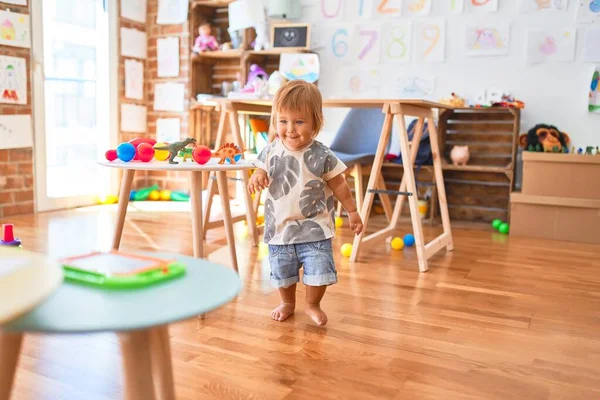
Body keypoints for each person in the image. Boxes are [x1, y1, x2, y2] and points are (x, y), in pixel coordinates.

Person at [248, 80, 363, 326]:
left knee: (319, 271)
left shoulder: (323, 154)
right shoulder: (270, 151)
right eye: (283, 121)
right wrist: (257, 176)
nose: (290, 129)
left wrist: (352, 211)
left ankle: (312, 304)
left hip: (315, 228)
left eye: (299, 121)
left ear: (315, 123)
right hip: (280, 228)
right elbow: (259, 169)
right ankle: (287, 303)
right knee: (283, 271)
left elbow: (340, 184)